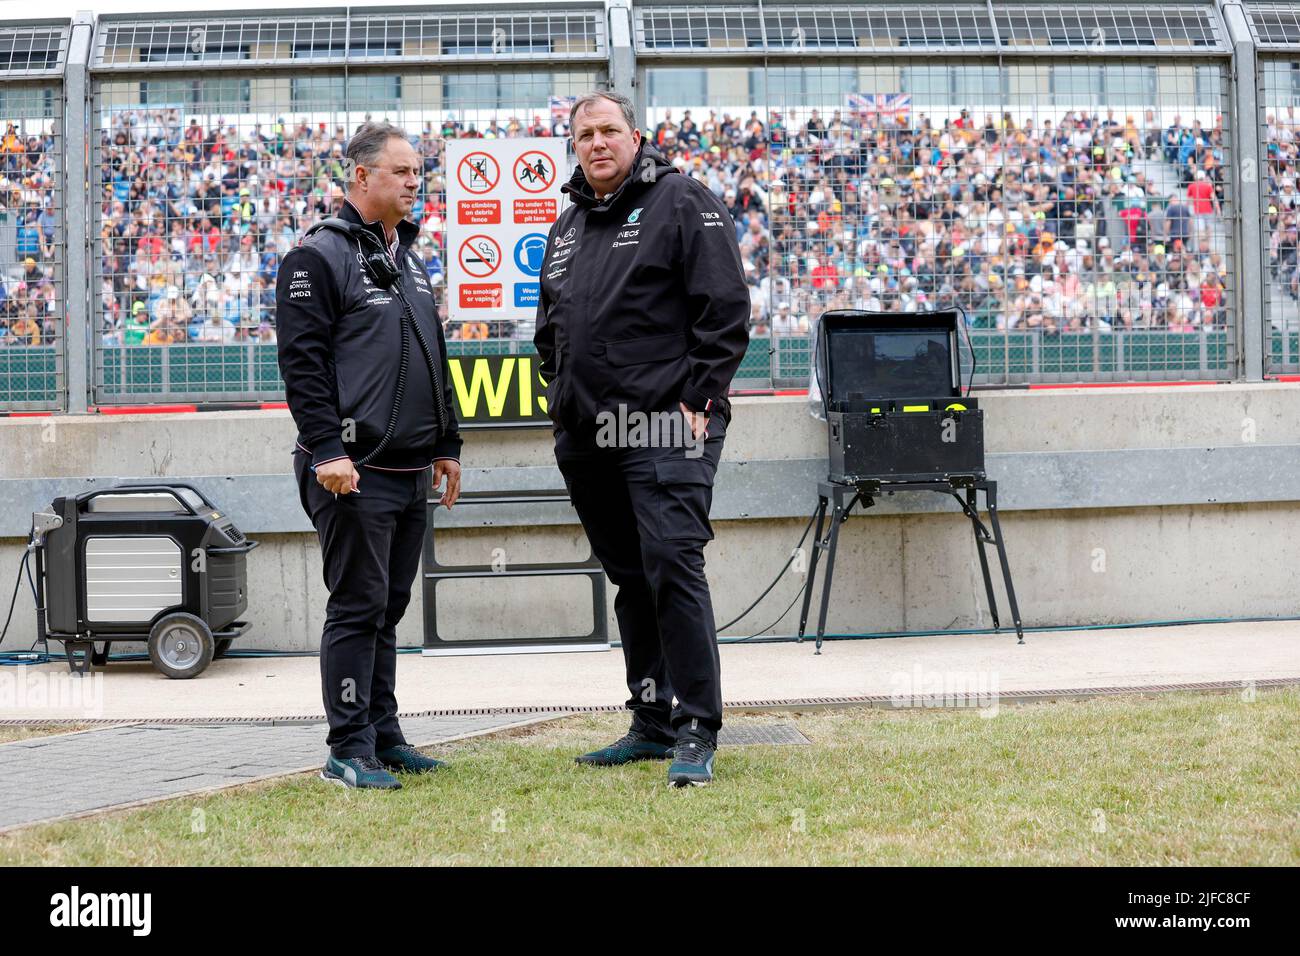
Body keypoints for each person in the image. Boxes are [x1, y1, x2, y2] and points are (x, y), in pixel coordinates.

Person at [534, 91, 750, 787]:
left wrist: (702, 395)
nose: (597, 143)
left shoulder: (681, 200)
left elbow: (725, 304)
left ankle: (696, 726)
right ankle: (651, 721)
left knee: (670, 563)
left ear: (636, 137)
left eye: (609, 131)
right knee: (629, 576)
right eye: (585, 134)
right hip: (587, 433)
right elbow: (551, 328)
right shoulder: (568, 225)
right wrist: (558, 399)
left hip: (664, 422)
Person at [276, 121, 462, 791]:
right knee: (358, 605)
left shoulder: (404, 256)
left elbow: (433, 355)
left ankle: (383, 734)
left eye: (419, 172)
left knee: (387, 606)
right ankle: (347, 748)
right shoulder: (316, 256)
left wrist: (446, 443)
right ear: (362, 177)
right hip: (349, 471)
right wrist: (327, 448)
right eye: (404, 171)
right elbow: (301, 364)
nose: (416, 182)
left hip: (409, 470)